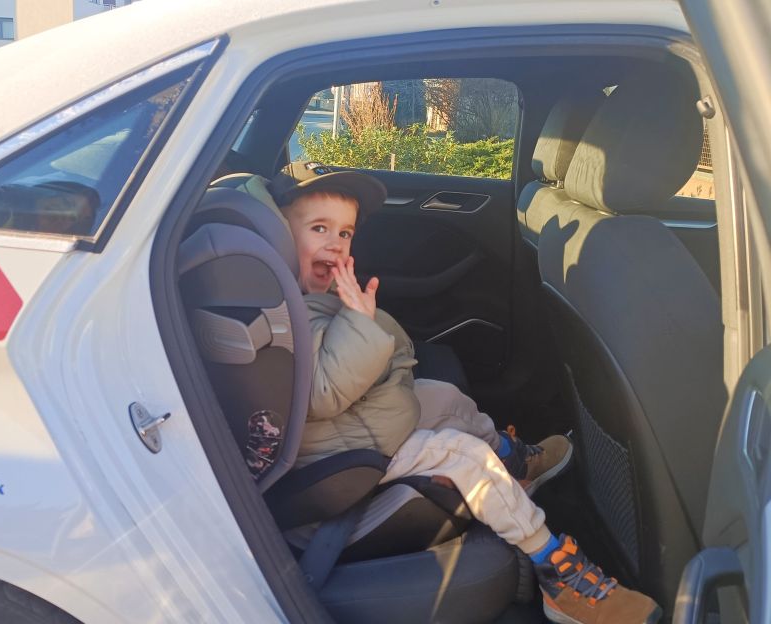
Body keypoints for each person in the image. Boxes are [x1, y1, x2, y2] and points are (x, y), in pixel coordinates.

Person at [267, 160, 661, 624]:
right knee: (464, 455)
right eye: (319, 228)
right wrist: (357, 320)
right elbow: (324, 392)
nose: (335, 243)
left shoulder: (308, 297)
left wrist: (352, 317)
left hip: (352, 427)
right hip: (342, 458)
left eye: (345, 233)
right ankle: (559, 578)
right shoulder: (285, 314)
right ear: (279, 234)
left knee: (445, 398)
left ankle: (515, 463)